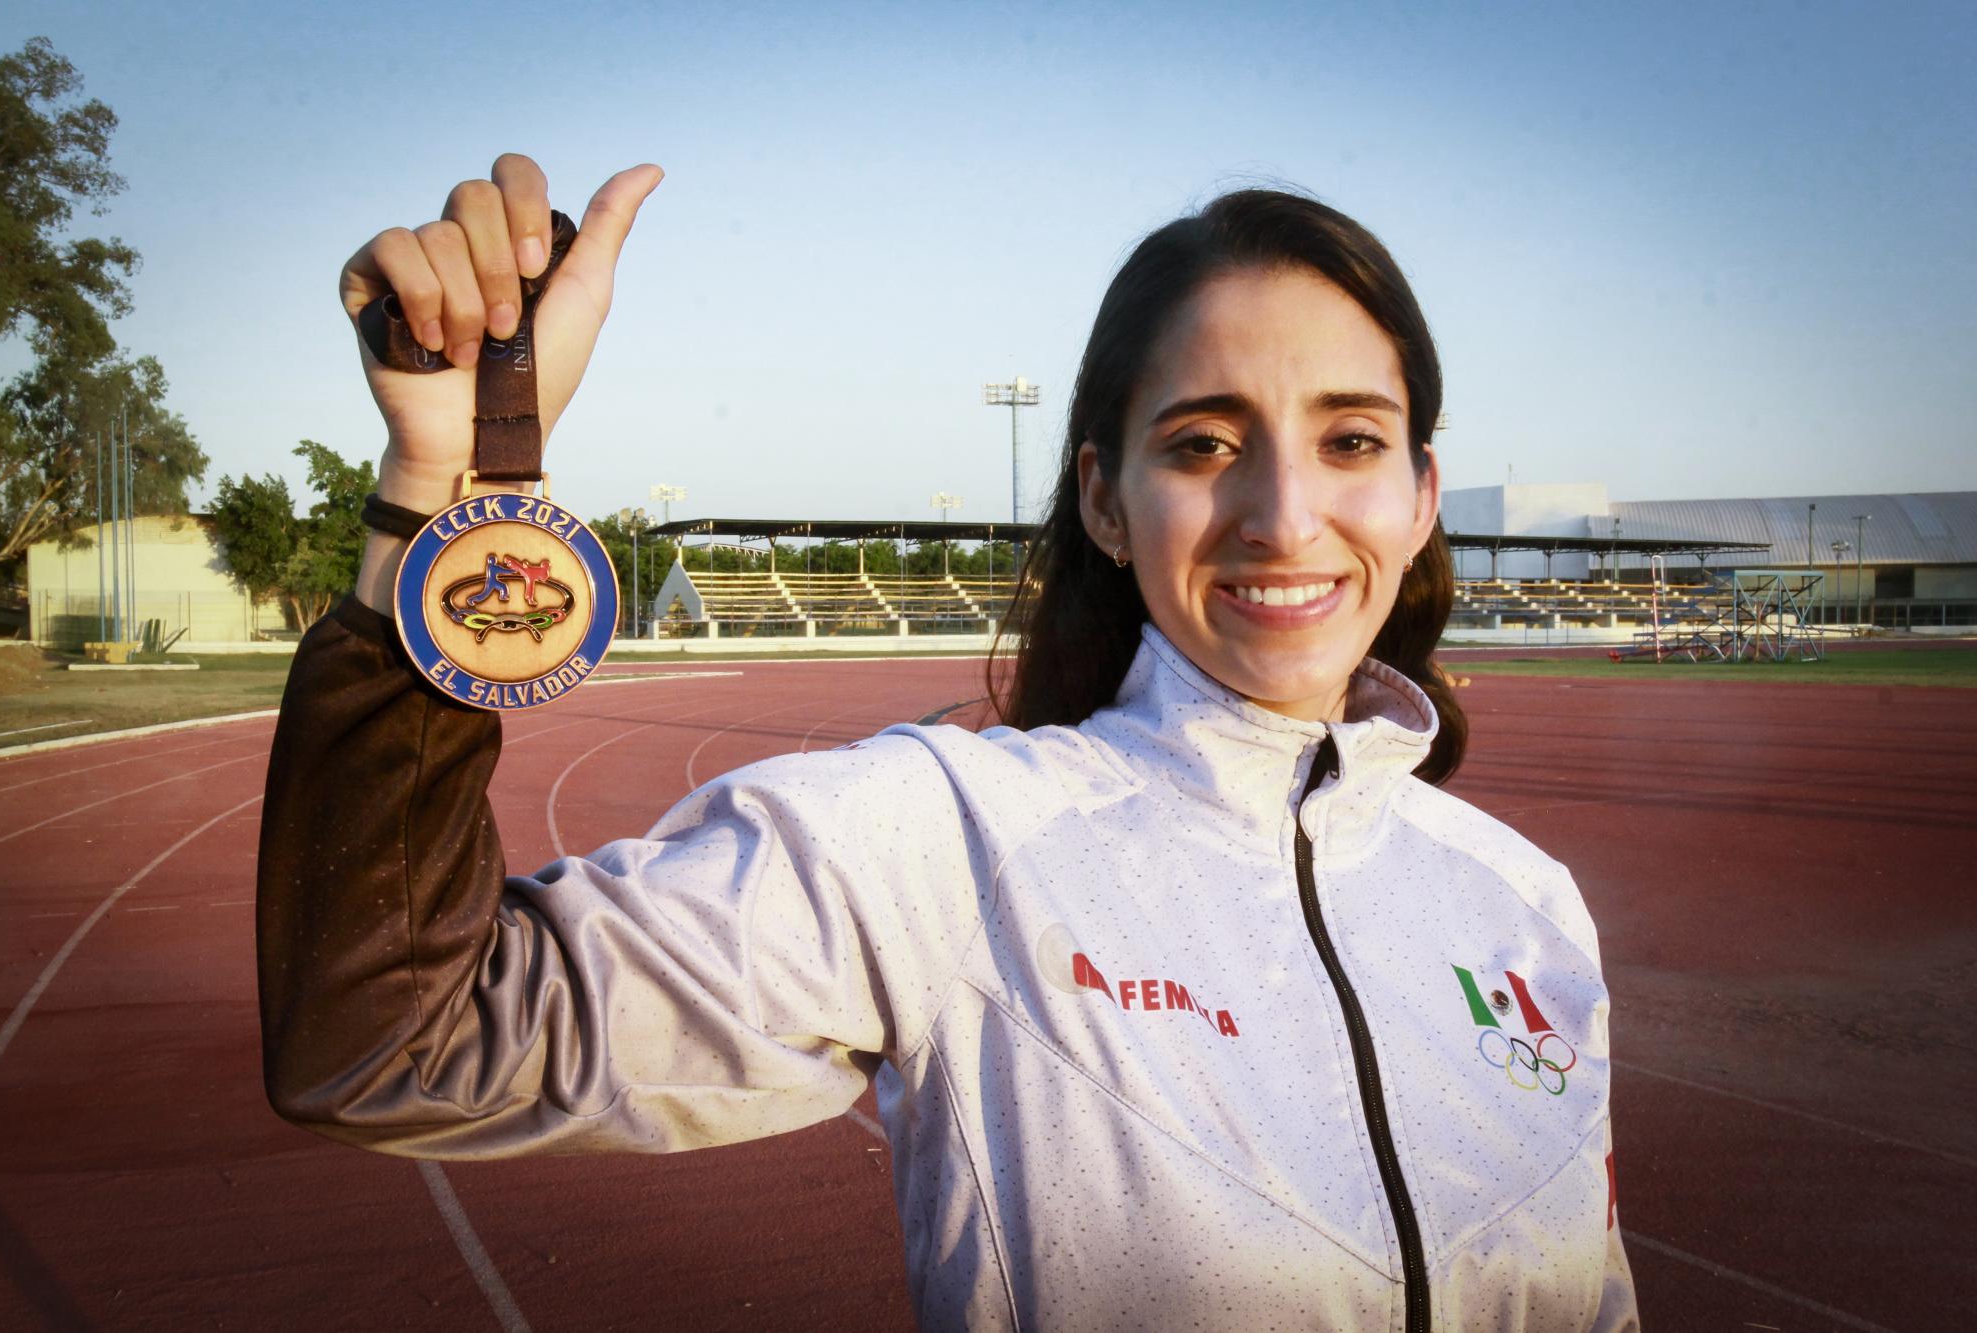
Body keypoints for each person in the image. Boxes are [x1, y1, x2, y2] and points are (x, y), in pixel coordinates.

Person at [258, 154, 1638, 1332]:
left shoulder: (1527, 907)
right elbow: (396, 1043)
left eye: (1352, 440)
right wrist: (451, 488)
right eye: (1205, 444)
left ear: (1421, 494)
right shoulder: (940, 842)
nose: (1284, 516)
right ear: (1104, 498)